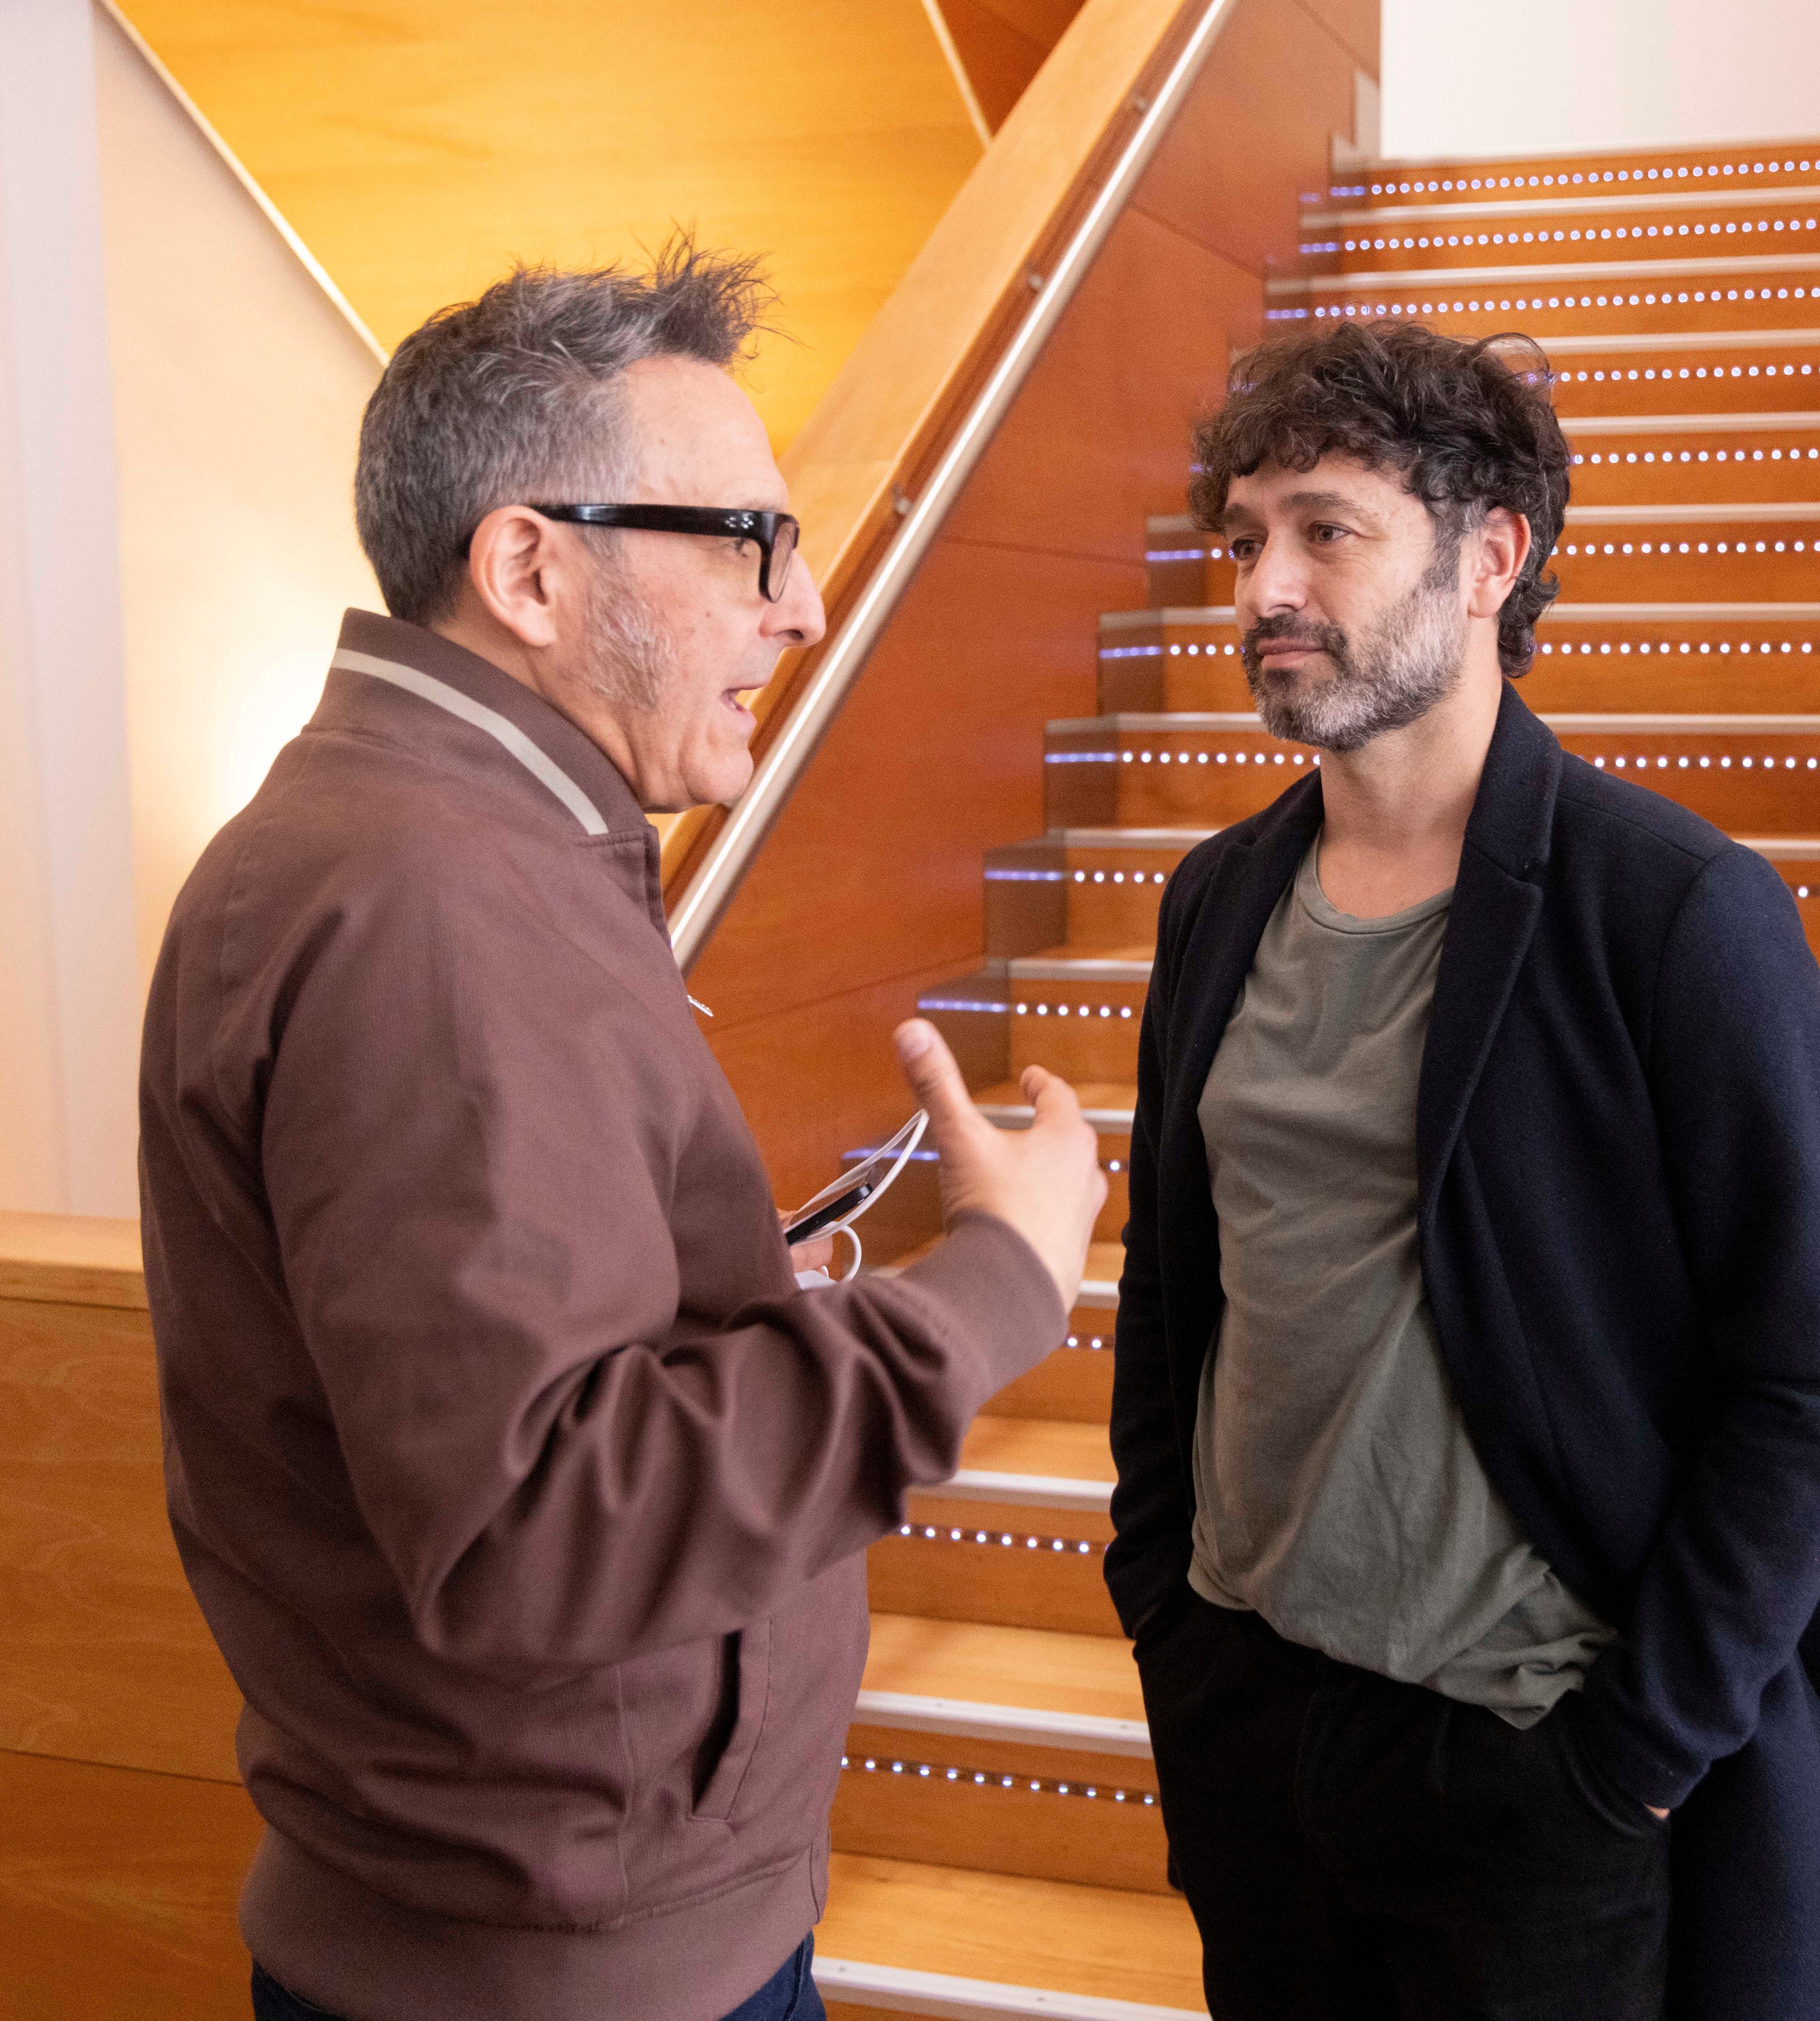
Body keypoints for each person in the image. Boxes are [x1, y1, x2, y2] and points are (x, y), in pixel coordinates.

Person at [138, 249, 1104, 2021]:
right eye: (749, 541)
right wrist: (993, 1281)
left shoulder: (455, 849)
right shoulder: (431, 905)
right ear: (528, 568)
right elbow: (534, 1521)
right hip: (558, 1969)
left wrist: (750, 1307)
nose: (799, 607)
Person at [1103, 320, 1820, 2020]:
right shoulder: (1214, 900)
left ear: (1490, 556)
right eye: (1242, 536)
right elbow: (1178, 1294)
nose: (1263, 582)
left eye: (1325, 530)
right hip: (1255, 1727)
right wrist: (1167, 1621)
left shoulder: (1675, 910)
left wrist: (1625, 1757)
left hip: (1535, 1771)